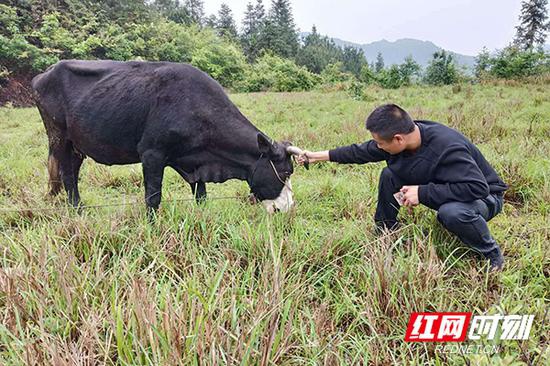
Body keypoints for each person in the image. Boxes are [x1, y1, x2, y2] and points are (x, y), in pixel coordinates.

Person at [297, 104, 508, 270]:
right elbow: (361, 151)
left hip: (485, 198)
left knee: (451, 213)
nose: (378, 147)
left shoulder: (448, 147)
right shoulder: (406, 136)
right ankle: (385, 228)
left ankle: (491, 253)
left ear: (398, 139)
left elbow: (477, 188)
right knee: (389, 174)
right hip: (447, 185)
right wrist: (318, 156)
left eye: (381, 143)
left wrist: (422, 193)